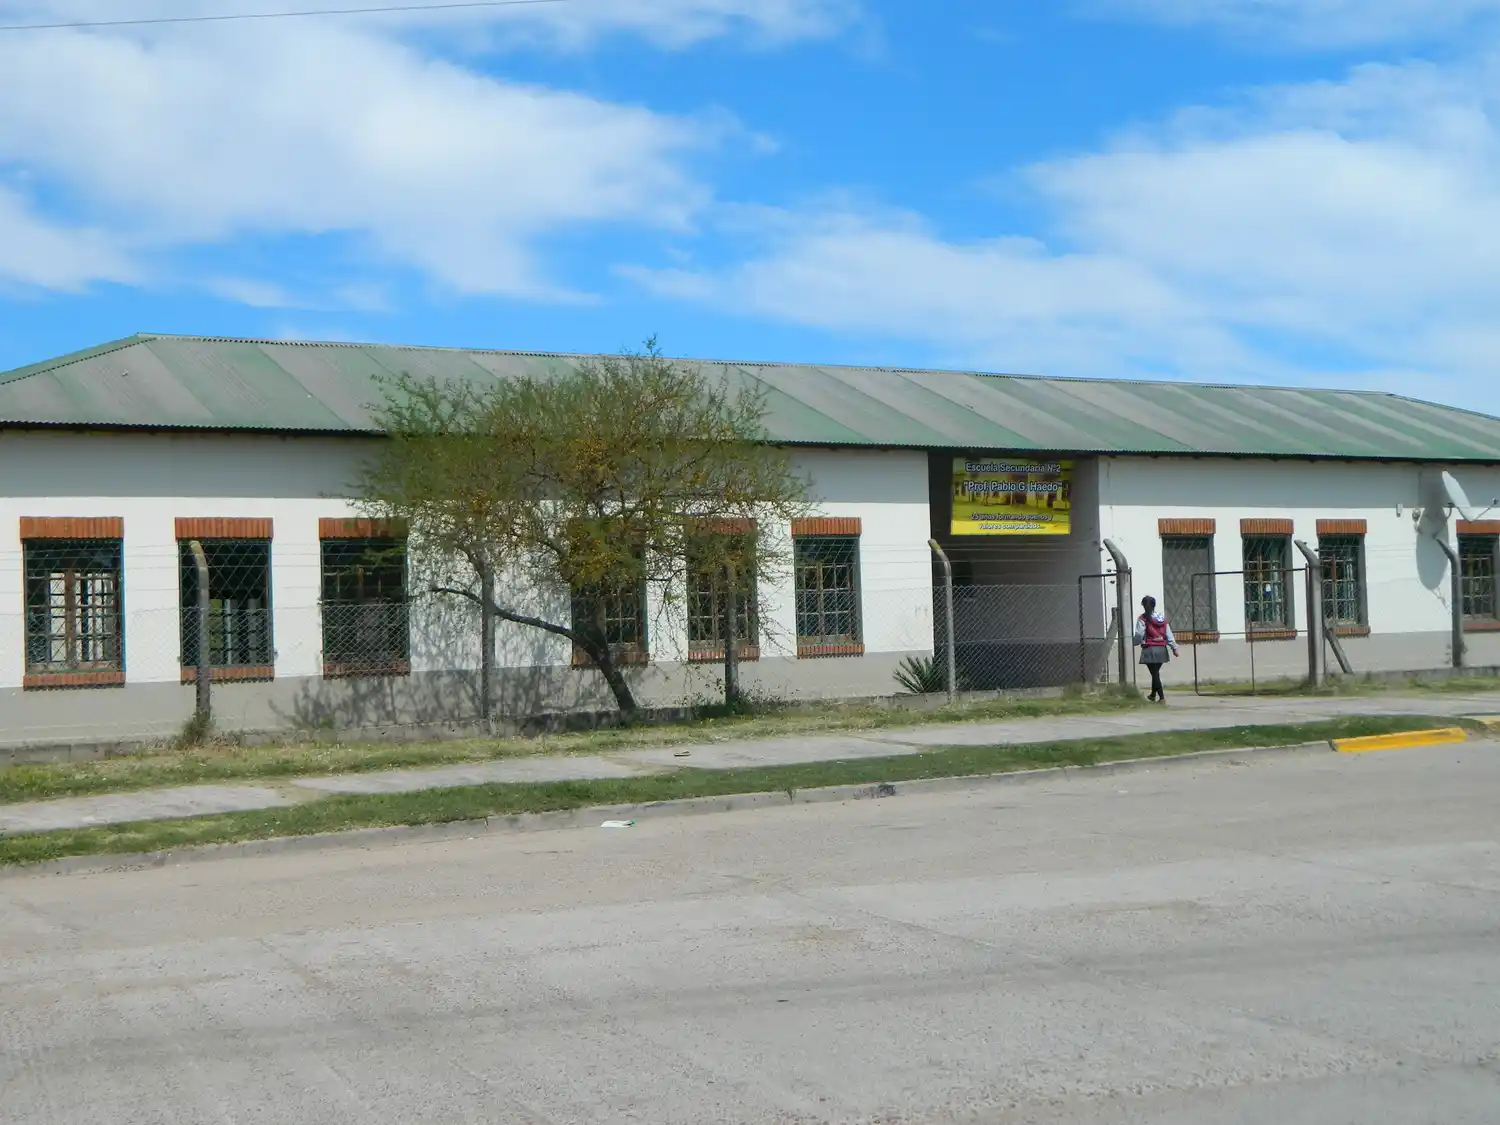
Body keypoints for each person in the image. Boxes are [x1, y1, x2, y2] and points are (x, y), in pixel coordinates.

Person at [1133, 595, 1180, 703]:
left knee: (1154, 674)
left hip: (1150, 649)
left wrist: (1134, 643)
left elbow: (1139, 634)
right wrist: (1174, 647)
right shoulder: (1161, 618)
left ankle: (1162, 698)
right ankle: (1153, 695)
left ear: (1144, 606)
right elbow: (1168, 633)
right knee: (1155, 673)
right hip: (1162, 649)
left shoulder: (1143, 618)